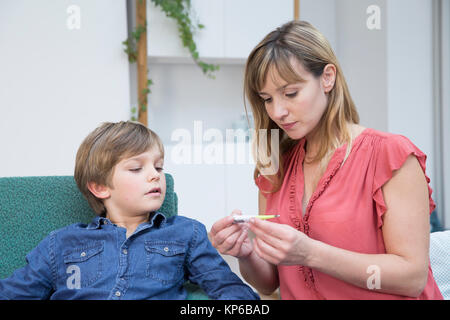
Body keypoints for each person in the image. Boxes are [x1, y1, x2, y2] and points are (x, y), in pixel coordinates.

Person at [210, 20, 443, 300]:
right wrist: (246, 254)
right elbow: (269, 282)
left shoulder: (391, 156)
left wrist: (310, 253)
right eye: (267, 99)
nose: (278, 111)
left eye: (290, 93)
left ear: (327, 77)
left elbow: (412, 278)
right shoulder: (275, 168)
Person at [0, 121, 259, 300]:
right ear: (100, 187)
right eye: (137, 169)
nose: (155, 177)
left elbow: (227, 288)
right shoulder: (61, 244)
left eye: (159, 168)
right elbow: (13, 293)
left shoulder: (186, 233)